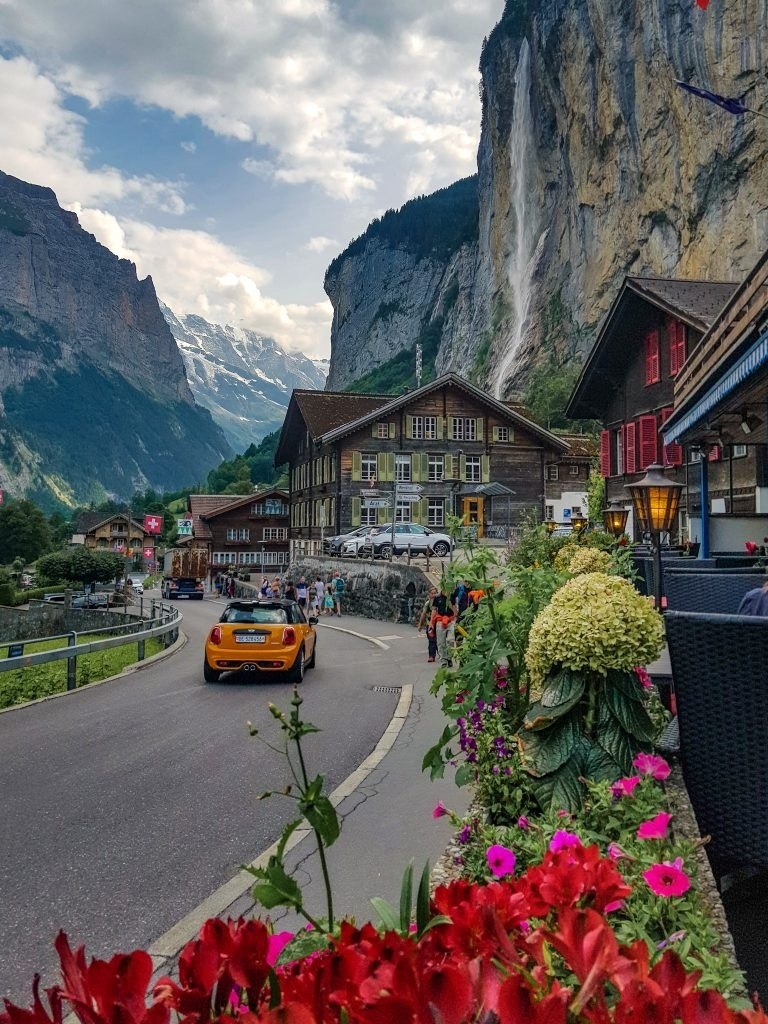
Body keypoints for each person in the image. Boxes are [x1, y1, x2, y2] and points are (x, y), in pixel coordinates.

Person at [431, 585, 456, 667]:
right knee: (441, 642)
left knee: (450, 640)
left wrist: (450, 605)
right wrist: (431, 622)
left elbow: (455, 610)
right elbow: (434, 610)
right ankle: (444, 660)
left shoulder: (451, 596)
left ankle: (449, 658)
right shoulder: (437, 598)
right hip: (440, 621)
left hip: (450, 621)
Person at [417, 586, 439, 662]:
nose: (433, 595)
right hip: (429, 623)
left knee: (438, 640)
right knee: (431, 640)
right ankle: (431, 656)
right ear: (429, 594)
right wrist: (420, 624)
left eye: (435, 593)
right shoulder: (428, 603)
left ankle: (441, 653)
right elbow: (423, 614)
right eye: (432, 593)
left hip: (439, 623)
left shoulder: (440, 602)